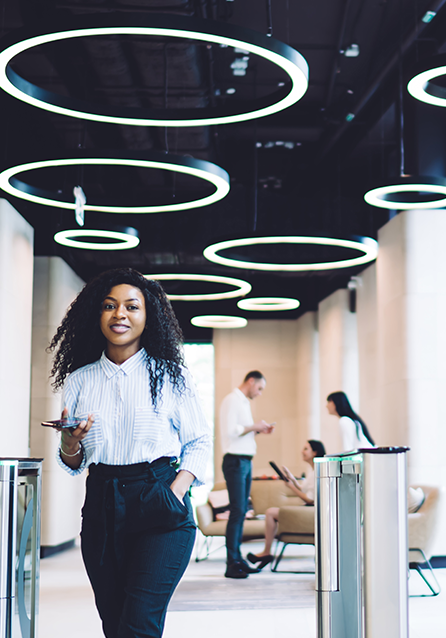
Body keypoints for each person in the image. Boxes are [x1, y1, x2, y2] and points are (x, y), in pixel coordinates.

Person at [48, 268, 213, 638]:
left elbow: (199, 441)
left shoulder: (172, 376)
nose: (119, 314)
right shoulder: (79, 380)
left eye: (131, 306)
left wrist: (175, 491)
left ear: (147, 315)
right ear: (97, 315)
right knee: (115, 623)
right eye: (109, 306)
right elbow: (74, 461)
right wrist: (70, 442)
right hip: (102, 503)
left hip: (159, 500)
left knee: (139, 625)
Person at [218, 370, 274, 578]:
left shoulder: (243, 402)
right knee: (238, 510)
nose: (259, 393)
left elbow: (241, 431)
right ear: (251, 381)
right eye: (259, 388)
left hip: (245, 460)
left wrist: (258, 429)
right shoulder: (232, 400)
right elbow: (230, 430)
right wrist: (254, 426)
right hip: (235, 461)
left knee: (241, 511)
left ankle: (237, 559)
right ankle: (232, 563)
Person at [246, 439, 326, 568]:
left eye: (306, 449)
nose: (302, 451)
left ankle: (266, 552)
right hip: (310, 510)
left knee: (270, 513)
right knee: (271, 512)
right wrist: (292, 480)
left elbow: (309, 499)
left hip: (311, 511)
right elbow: (303, 489)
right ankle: (266, 552)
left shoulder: (316, 471)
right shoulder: (313, 470)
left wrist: (290, 487)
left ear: (315, 452)